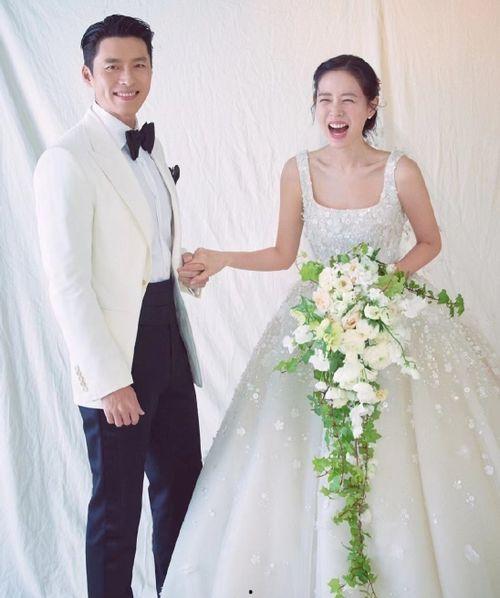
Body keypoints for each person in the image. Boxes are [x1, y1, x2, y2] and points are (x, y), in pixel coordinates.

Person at [164, 55, 500, 597]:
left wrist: (380, 282)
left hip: (390, 316)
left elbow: (430, 241)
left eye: (348, 99)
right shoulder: (297, 170)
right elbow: (283, 253)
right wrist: (223, 258)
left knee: (399, 447)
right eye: (325, 99)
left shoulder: (400, 170)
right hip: (317, 320)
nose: (335, 111)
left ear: (371, 106)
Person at [33, 15, 207, 598]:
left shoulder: (152, 148)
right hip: (116, 355)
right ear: (87, 75)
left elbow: (144, 249)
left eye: (139, 65)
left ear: (152, 71)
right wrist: (110, 381)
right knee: (117, 507)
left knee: (183, 489)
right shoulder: (66, 158)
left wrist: (182, 269)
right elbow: (68, 285)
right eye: (112, 66)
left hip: (168, 338)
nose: (127, 78)